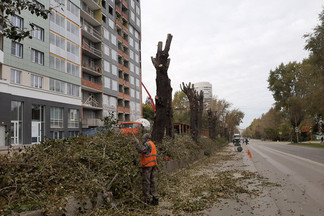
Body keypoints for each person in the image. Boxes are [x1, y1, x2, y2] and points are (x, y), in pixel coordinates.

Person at [133, 133, 159, 205]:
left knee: (146, 182)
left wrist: (137, 143)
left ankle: (147, 200)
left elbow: (142, 150)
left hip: (147, 166)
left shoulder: (147, 144)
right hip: (153, 165)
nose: (143, 140)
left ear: (146, 139)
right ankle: (155, 198)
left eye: (143, 139)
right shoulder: (152, 144)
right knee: (152, 182)